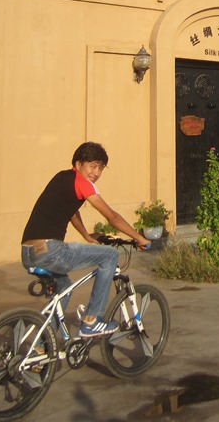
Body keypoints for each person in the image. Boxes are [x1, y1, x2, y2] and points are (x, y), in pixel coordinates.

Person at [21, 141, 150, 337]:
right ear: (78, 163)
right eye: (93, 166)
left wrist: (87, 236)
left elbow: (71, 213)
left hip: (28, 251)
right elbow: (111, 216)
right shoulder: (82, 183)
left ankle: (40, 349)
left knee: (63, 289)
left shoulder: (62, 178)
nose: (96, 173)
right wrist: (139, 238)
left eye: (101, 168)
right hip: (50, 250)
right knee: (109, 256)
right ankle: (92, 320)